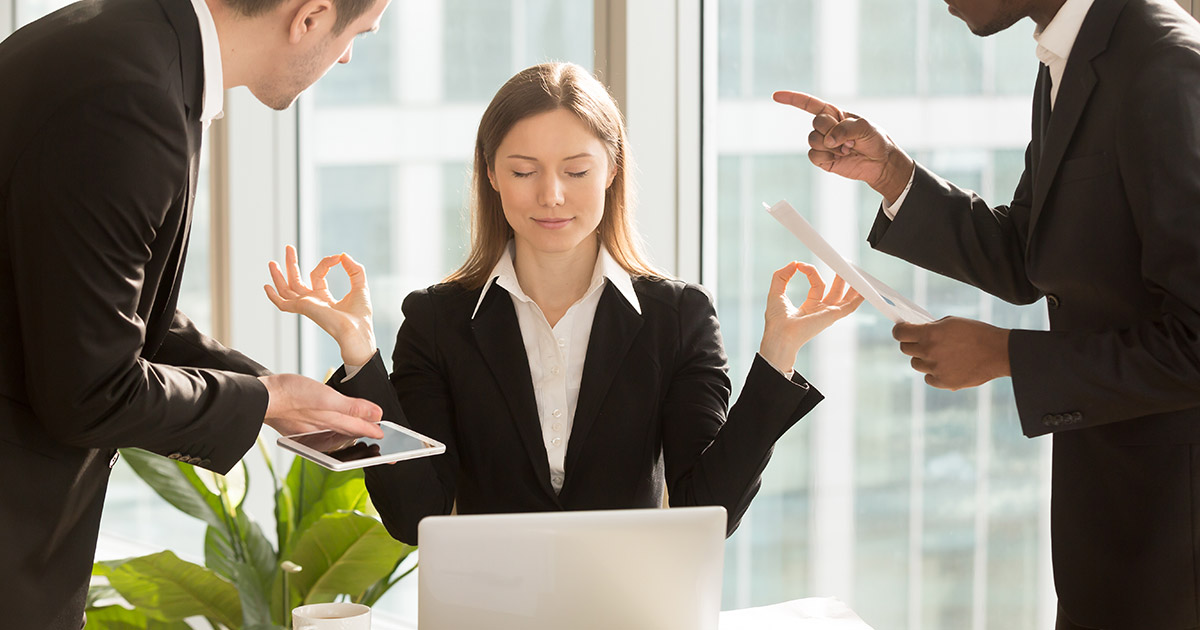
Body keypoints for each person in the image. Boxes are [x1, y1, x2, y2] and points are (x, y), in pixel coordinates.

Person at [265, 61, 864, 545]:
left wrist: (778, 352)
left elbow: (706, 510)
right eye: (524, 171)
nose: (551, 196)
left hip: (631, 613)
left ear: (611, 171)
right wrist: (358, 350)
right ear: (492, 175)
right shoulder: (437, 319)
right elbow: (414, 516)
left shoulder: (676, 317)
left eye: (576, 171)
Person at [775, 0, 1200, 628]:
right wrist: (891, 174)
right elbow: (1029, 254)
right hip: (1108, 509)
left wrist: (1008, 355)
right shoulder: (1070, 56)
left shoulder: (1166, 66)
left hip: (1173, 539)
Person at [0, 0, 394, 625]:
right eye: (357, 35)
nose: (347, 56)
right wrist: (266, 400)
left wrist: (271, 393)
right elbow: (91, 390)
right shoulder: (132, 99)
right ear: (311, 17)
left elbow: (97, 304)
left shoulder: (117, 39)